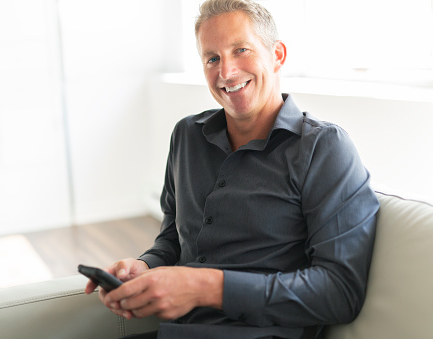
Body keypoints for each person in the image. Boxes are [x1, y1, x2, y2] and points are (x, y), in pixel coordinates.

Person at [85, 0, 379, 338]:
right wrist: (143, 266)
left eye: (241, 50)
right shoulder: (187, 136)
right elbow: (172, 240)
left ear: (278, 55)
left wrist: (205, 286)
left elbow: (340, 292)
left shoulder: (323, 148)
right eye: (212, 58)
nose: (226, 72)